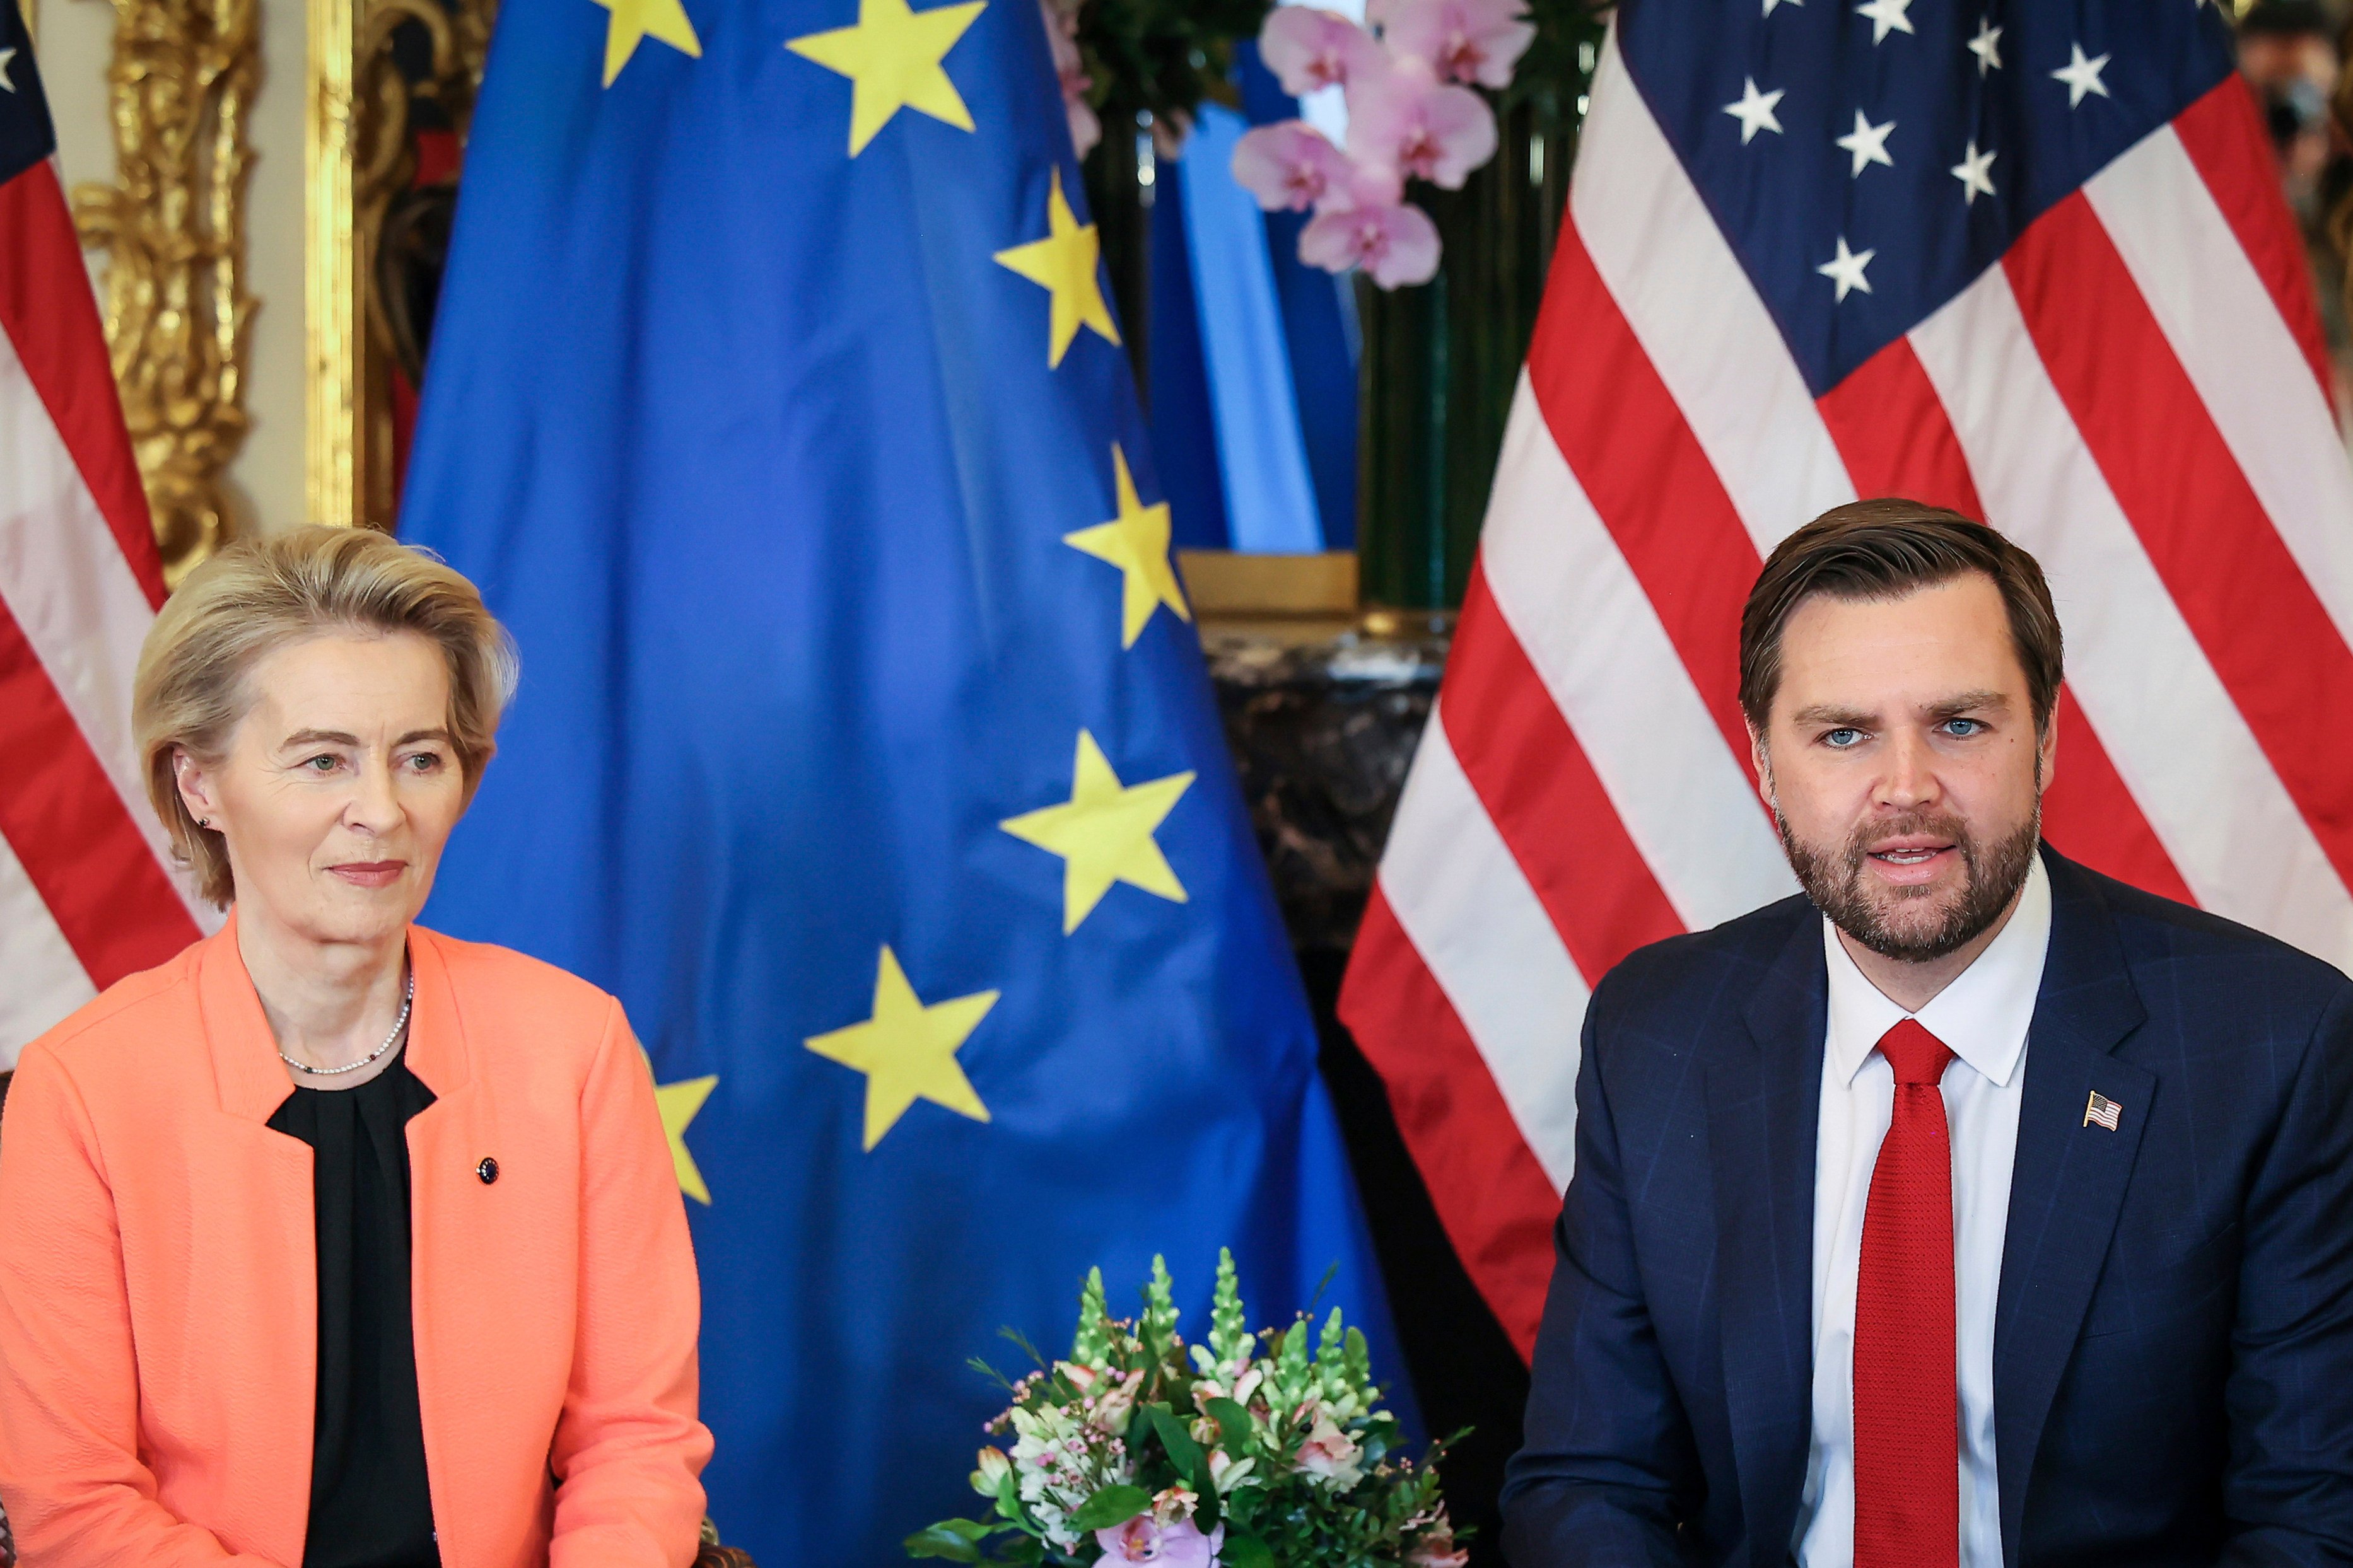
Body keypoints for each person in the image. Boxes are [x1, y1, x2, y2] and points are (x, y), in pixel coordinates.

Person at [1500, 500, 2353, 1566]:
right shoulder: (1658, 1032)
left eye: (1960, 723)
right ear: (1766, 763)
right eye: (1843, 734)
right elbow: (1589, 1481)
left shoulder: (2274, 1043)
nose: (1906, 789)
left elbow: (2313, 1519)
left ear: (2043, 739)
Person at [0, 526, 713, 1565]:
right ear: (200, 785)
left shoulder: (573, 1047)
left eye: (419, 758)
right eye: (323, 758)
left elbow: (636, 1442)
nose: (380, 811)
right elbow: (76, 1501)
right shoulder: (84, 1089)